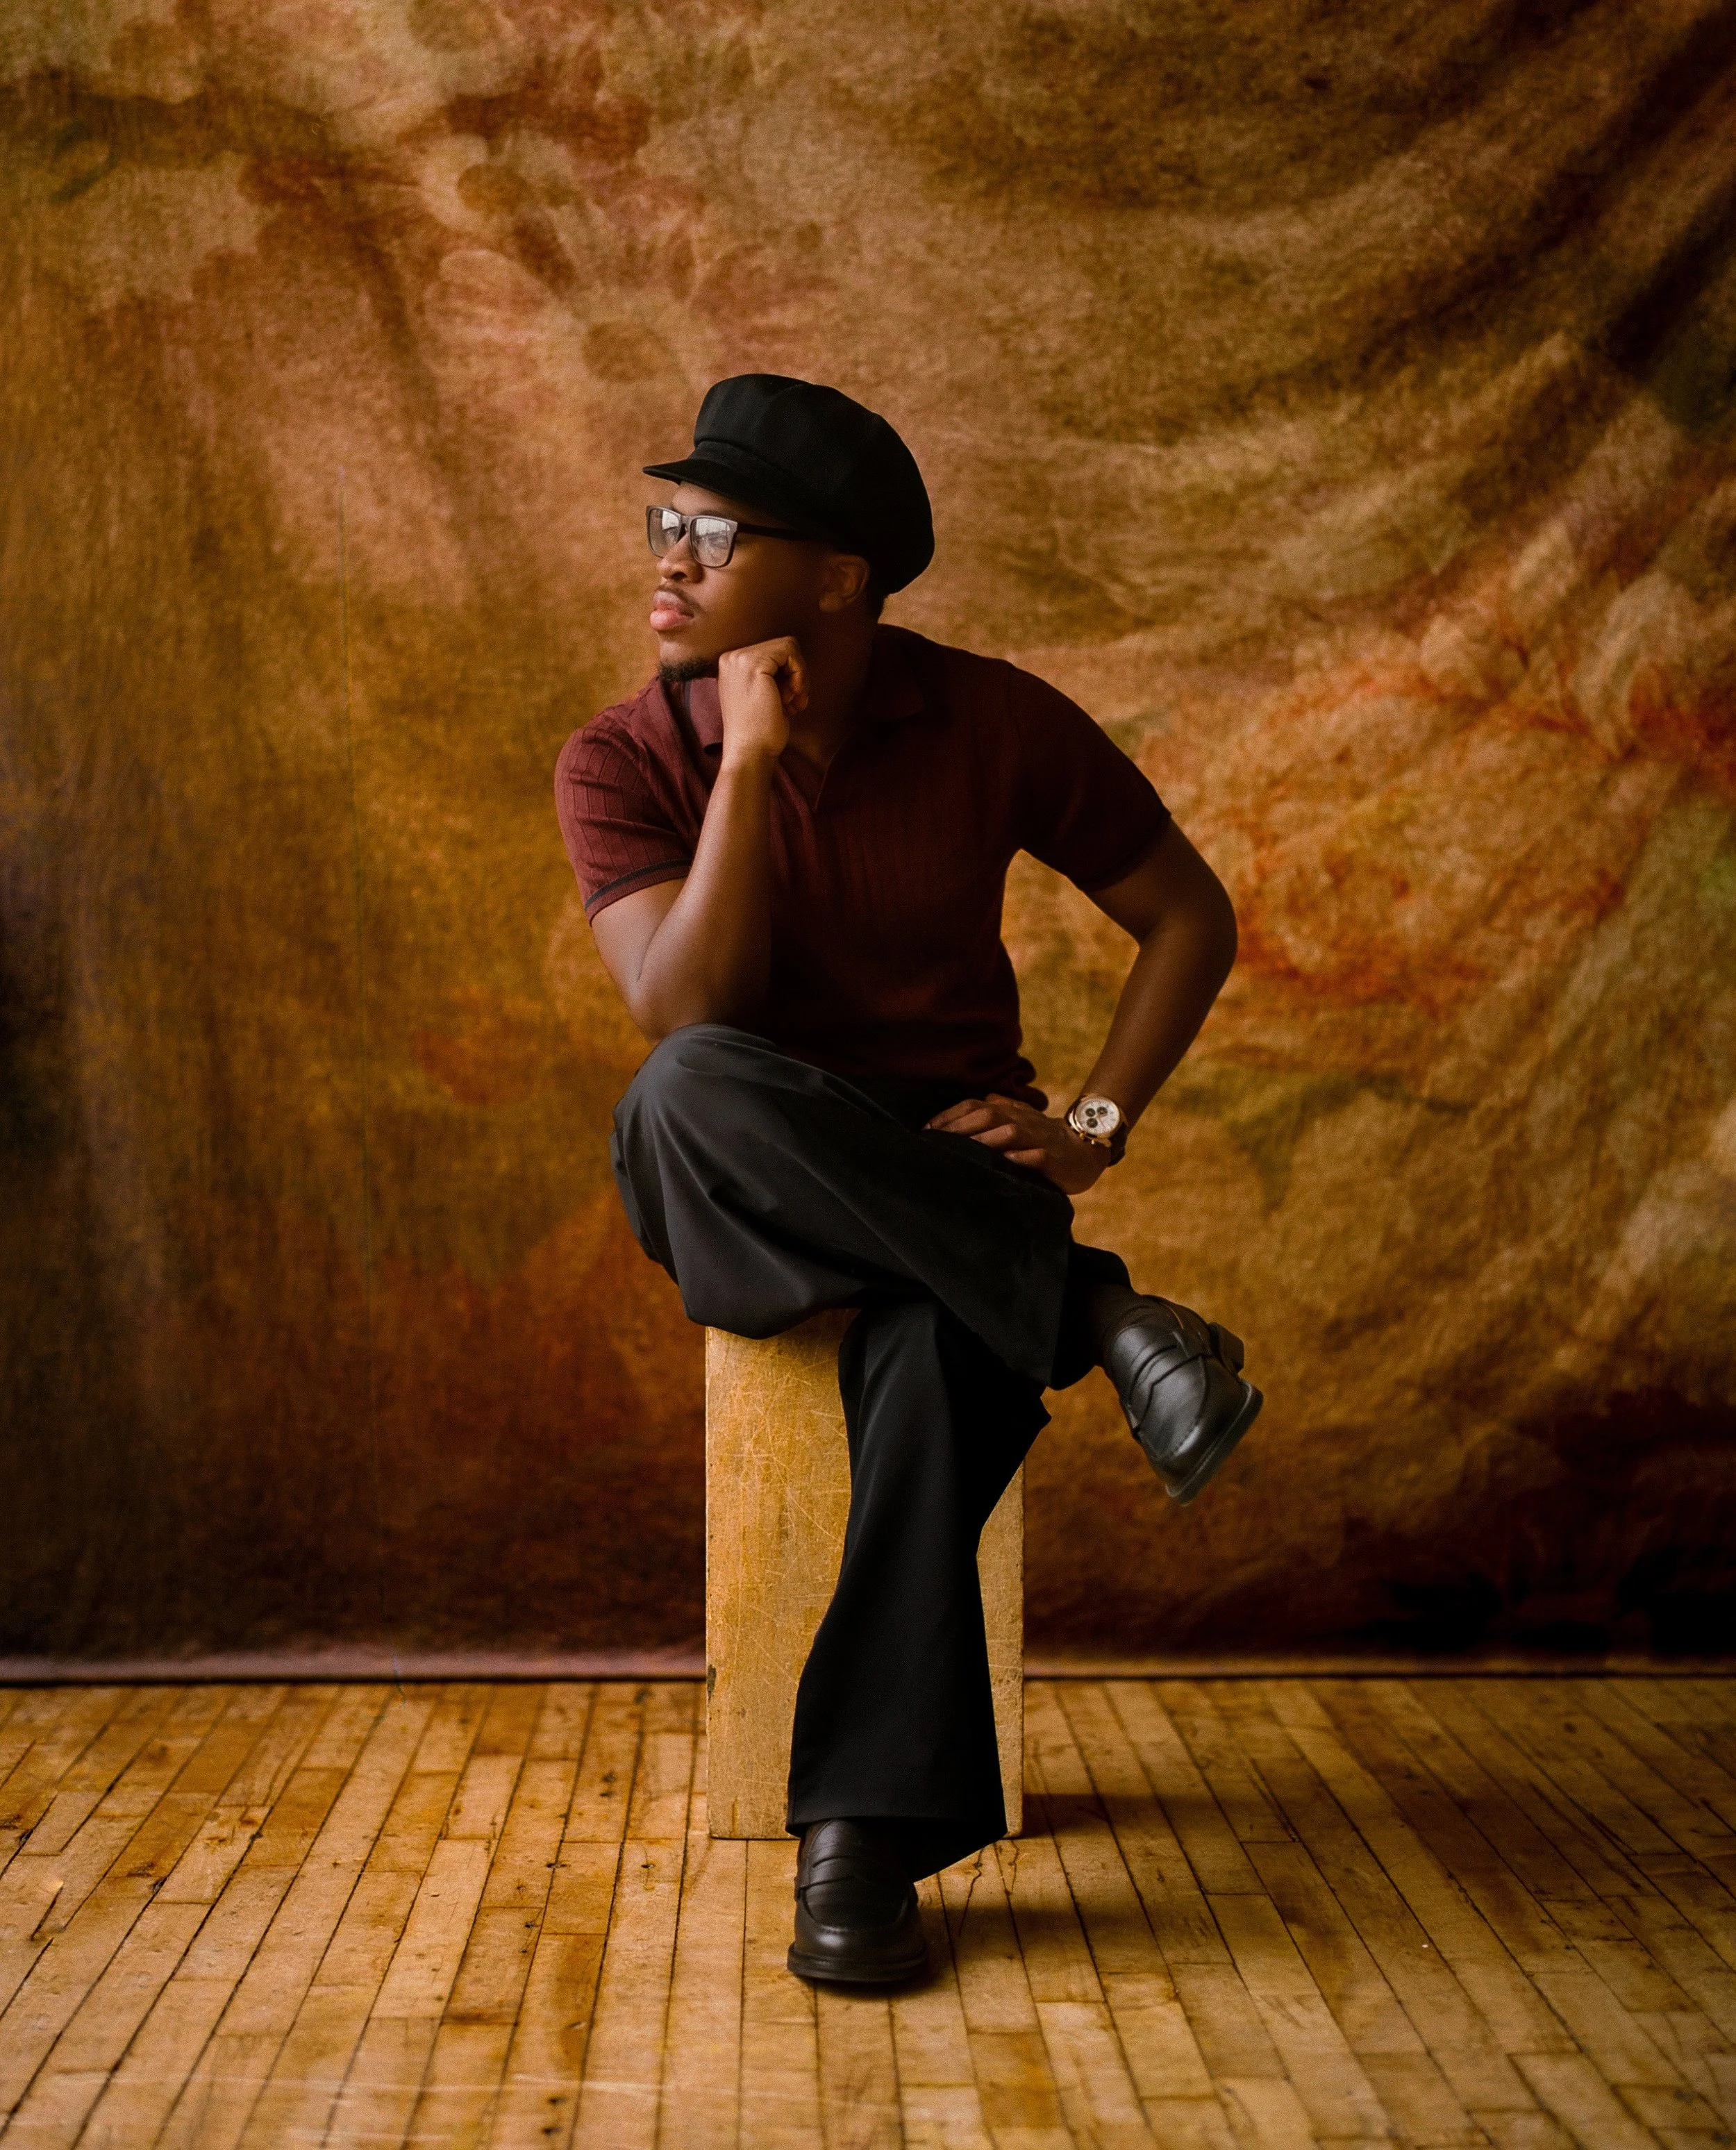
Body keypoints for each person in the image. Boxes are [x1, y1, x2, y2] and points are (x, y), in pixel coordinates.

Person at [554, 374, 1262, 1986]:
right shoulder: (620, 758)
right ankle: (1096, 1314)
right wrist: (742, 766)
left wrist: (1088, 1128)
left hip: (958, 1172)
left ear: (839, 579)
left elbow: (1186, 917)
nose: (666, 559)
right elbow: (684, 1009)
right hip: (736, 1187)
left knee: (943, 1357)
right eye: (665, 523)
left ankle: (857, 1846)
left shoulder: (993, 720)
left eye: (713, 533)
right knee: (685, 1085)